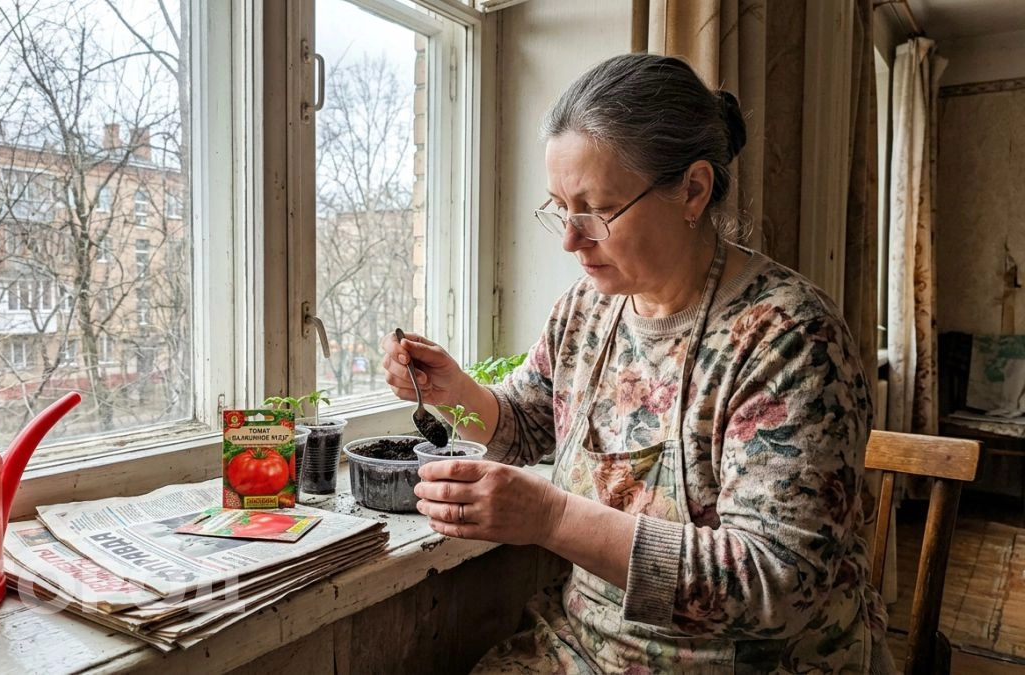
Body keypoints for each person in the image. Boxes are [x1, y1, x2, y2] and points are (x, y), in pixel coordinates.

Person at [380, 53, 893, 673]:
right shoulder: (587, 310)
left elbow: (774, 588)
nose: (570, 239)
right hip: (586, 649)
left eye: (597, 209)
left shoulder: (789, 340)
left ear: (693, 190)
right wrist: (451, 390)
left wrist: (550, 516)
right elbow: (523, 426)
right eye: (559, 208)